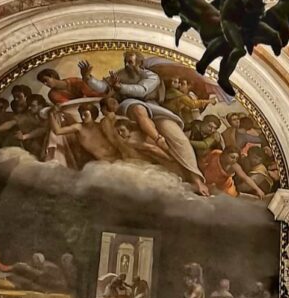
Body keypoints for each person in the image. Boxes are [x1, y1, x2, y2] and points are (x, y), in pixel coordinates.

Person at [78, 52, 209, 195]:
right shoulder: (120, 75)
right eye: (126, 62)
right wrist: (88, 78)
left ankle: (196, 179)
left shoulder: (151, 76)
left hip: (155, 109)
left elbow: (141, 90)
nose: (128, 65)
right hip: (129, 106)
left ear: (140, 63)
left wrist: (120, 87)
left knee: (180, 138)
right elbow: (103, 86)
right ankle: (159, 140)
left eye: (131, 62)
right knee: (138, 108)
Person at [49, 103, 121, 163]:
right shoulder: (78, 127)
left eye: (86, 114)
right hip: (102, 162)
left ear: (93, 114)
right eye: (81, 114)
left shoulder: (101, 125)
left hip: (118, 156)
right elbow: (57, 131)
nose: (83, 117)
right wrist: (51, 114)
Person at [200, 148, 265, 198]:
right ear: (225, 155)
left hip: (224, 188)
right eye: (232, 157)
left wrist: (257, 189)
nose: (234, 160)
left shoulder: (234, 166)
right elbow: (204, 161)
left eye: (236, 159)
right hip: (206, 180)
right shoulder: (216, 154)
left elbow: (245, 178)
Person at [36, 68, 102, 105]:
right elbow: (68, 106)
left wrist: (87, 79)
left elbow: (92, 93)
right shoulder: (53, 94)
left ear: (52, 76)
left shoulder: (75, 81)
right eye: (43, 82)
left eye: (46, 80)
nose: (45, 84)